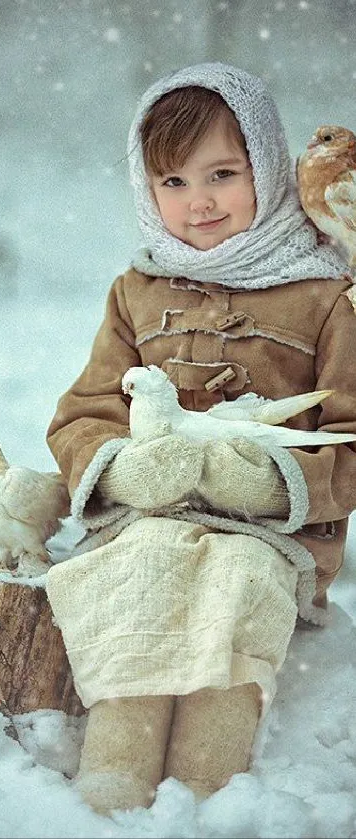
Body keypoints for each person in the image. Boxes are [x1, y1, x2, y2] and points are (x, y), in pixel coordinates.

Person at [45, 62, 356, 815]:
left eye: (221, 172)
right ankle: (117, 767)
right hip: (146, 521)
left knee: (235, 581)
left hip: (271, 537)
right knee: (139, 575)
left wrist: (272, 483)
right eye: (172, 183)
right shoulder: (135, 290)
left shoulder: (325, 295)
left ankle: (207, 778)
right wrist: (124, 470)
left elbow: (350, 438)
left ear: (268, 166)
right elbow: (82, 415)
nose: (199, 202)